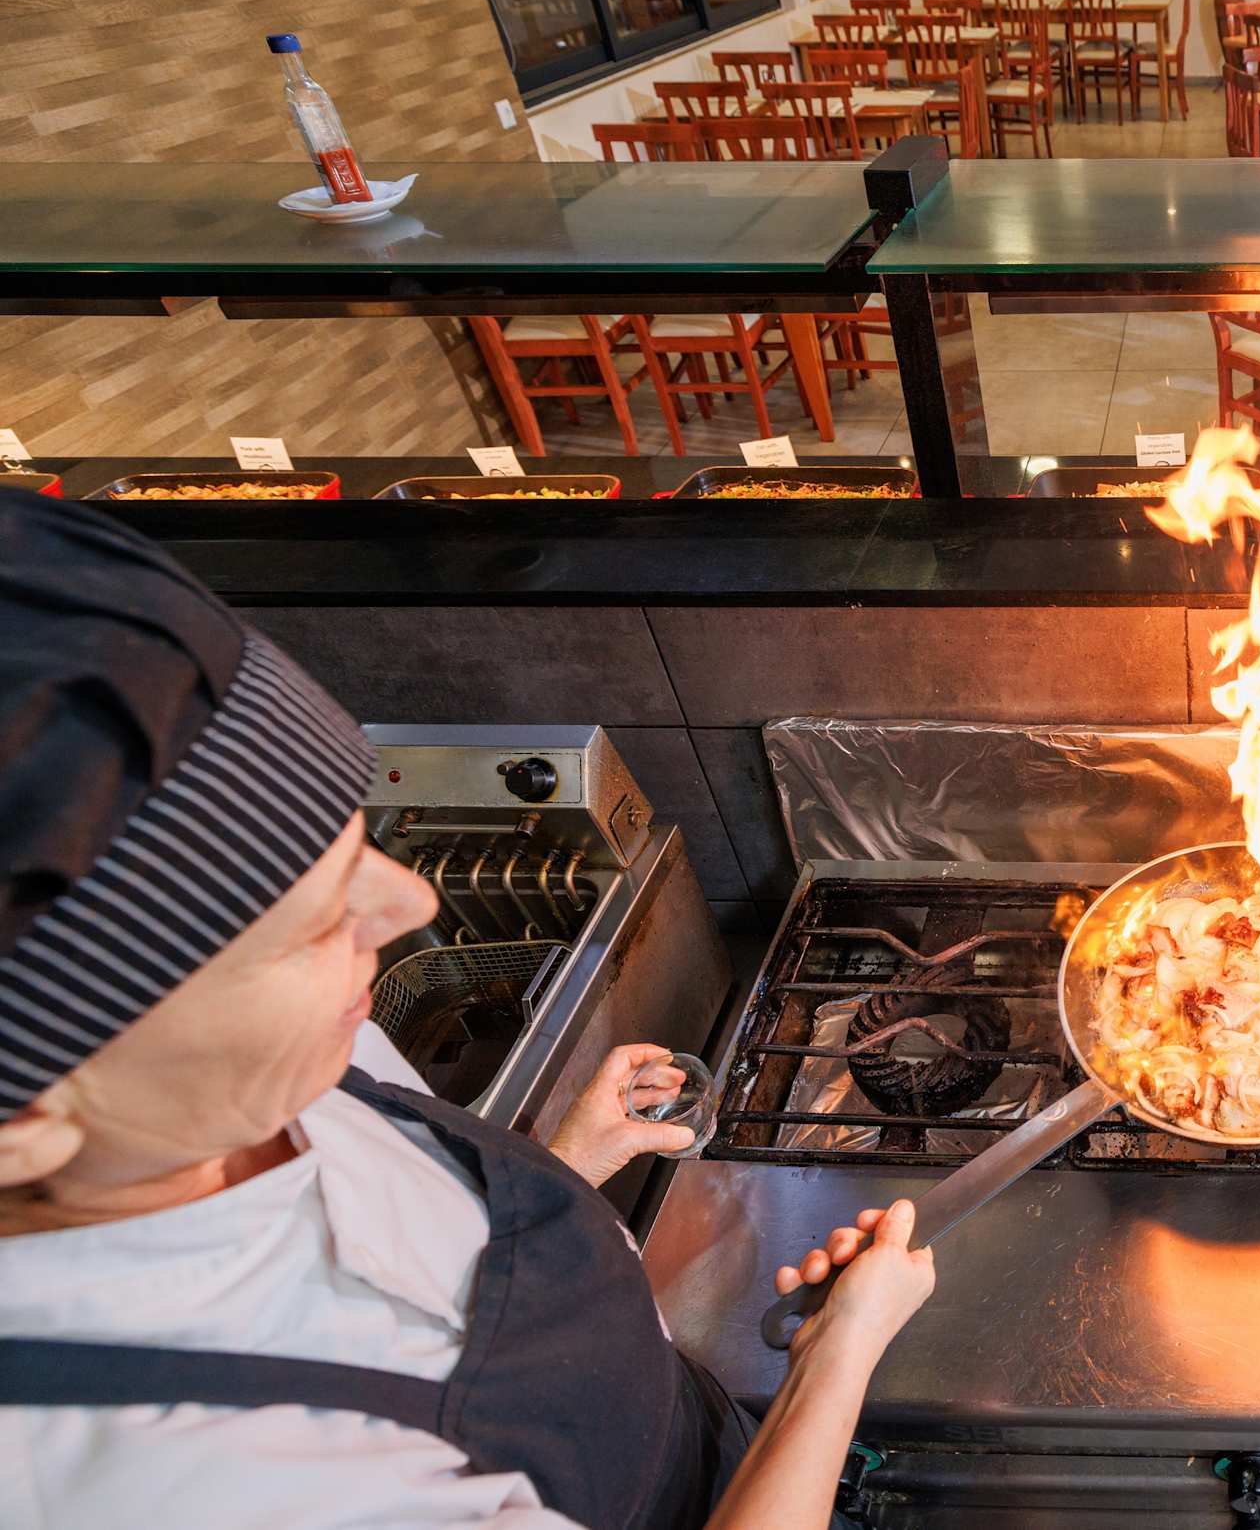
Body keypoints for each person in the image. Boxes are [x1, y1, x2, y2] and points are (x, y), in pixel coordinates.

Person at [0, 492, 933, 1528]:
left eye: (349, 848)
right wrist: (835, 1357)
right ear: (26, 1123)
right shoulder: (185, 1483)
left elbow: (423, 1262)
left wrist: (565, 1162)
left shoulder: (247, 1071)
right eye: (305, 926)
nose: (410, 903)